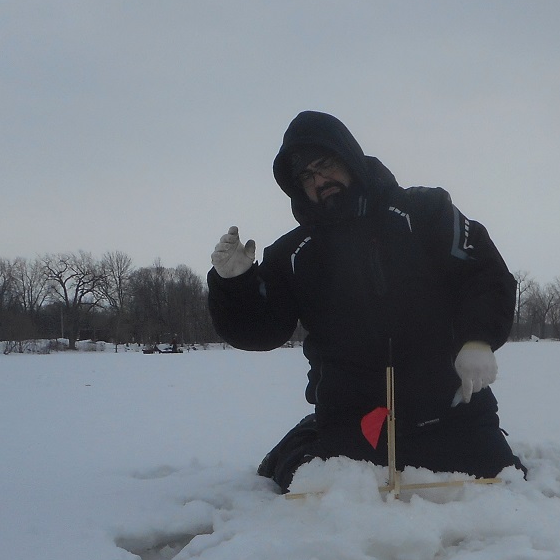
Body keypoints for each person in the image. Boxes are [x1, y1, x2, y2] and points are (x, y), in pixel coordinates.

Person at [207, 111, 522, 491]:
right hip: (356, 420)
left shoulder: (426, 211)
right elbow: (263, 331)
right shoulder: (294, 252)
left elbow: (485, 274)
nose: (319, 181)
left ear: (349, 158)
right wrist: (235, 283)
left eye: (325, 165)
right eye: (306, 177)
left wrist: (478, 339)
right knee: (313, 486)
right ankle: (309, 435)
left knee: (500, 480)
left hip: (451, 408)